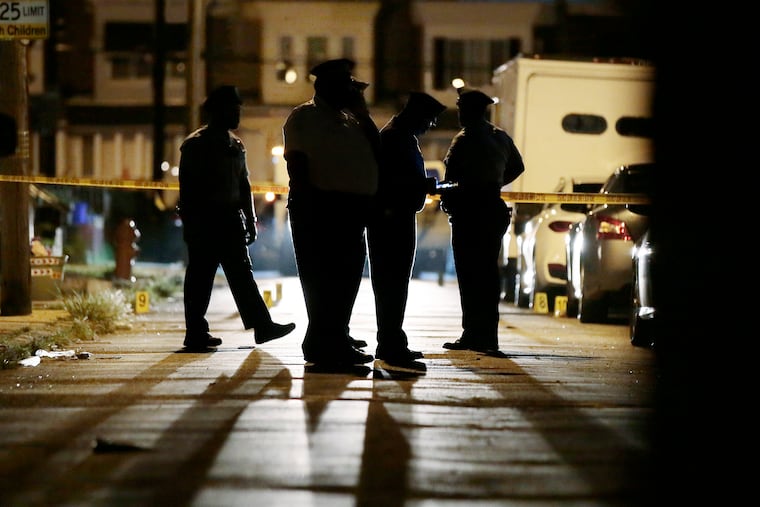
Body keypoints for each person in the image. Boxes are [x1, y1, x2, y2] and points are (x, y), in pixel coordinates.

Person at [178, 85, 295, 351]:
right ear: (216, 112)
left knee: (242, 275)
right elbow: (189, 190)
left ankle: (262, 326)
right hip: (206, 221)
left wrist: (250, 219)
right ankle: (195, 332)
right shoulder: (195, 145)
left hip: (230, 220)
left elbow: (244, 184)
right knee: (200, 278)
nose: (237, 114)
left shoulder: (236, 145)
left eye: (237, 108)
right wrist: (192, 224)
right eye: (232, 109)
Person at [282, 59, 378, 367]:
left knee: (346, 279)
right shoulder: (304, 116)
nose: (351, 90)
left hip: (352, 210)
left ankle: (332, 338)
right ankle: (325, 344)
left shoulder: (351, 120)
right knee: (323, 280)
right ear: (325, 86)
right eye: (345, 84)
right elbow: (298, 164)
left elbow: (377, 151)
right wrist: (315, 204)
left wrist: (362, 113)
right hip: (320, 208)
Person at [439, 87, 524, 355]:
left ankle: (472, 333)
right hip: (492, 209)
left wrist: (449, 199)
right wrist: (495, 181)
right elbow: (518, 166)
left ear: (467, 111)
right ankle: (488, 336)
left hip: (469, 212)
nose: (459, 114)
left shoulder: (464, 139)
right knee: (488, 275)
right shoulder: (500, 137)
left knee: (469, 275)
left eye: (461, 109)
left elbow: (451, 177)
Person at [367, 92, 446, 369]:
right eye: (429, 119)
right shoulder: (394, 138)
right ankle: (390, 344)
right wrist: (424, 186)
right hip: (390, 221)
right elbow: (391, 182)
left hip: (396, 218)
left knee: (395, 284)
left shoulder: (401, 136)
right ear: (416, 114)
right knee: (391, 283)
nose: (430, 125)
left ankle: (392, 341)